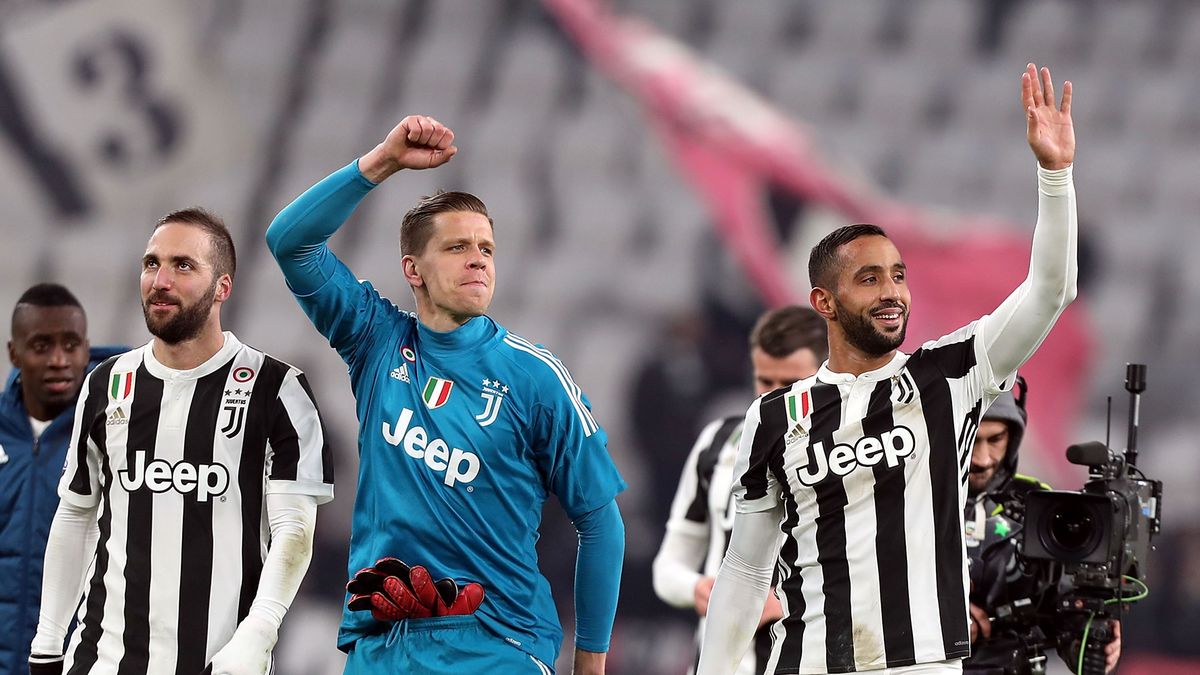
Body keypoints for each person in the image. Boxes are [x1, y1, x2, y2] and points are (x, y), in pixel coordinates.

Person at [696, 62, 1078, 674]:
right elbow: (744, 571)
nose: (891, 292)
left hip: (922, 665)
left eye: (898, 275)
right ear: (823, 301)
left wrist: (1054, 174)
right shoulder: (776, 415)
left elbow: (1051, 291)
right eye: (869, 278)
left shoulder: (948, 376)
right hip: (809, 662)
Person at [266, 115, 626, 675]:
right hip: (382, 644)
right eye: (457, 246)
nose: (479, 257)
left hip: (496, 644)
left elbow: (600, 520)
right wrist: (381, 162)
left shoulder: (535, 378)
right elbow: (290, 243)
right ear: (413, 268)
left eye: (487, 247)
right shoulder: (376, 341)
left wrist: (592, 663)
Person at [28, 208, 334, 675]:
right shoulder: (107, 383)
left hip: (219, 664)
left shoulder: (278, 390)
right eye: (152, 263)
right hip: (102, 662)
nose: (160, 280)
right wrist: (48, 644)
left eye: (182, 265)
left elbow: (295, 531)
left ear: (223, 288)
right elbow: (76, 514)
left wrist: (258, 634)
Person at [653, 306, 828, 675]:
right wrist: (697, 589)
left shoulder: (855, 454)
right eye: (766, 383)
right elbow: (668, 566)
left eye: (792, 384)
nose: (776, 398)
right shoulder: (718, 443)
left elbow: (885, 580)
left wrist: (788, 603)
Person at [0, 284, 123, 675]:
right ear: (14, 353)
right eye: (41, 346)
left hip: (81, 663)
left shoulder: (119, 431)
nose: (59, 360)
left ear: (87, 349)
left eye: (71, 345)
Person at [964, 380, 1121, 674]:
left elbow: (1064, 608)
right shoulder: (903, 501)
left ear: (1014, 436)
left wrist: (1086, 643)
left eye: (995, 439)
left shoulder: (1042, 507)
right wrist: (934, 617)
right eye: (972, 439)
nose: (982, 459)